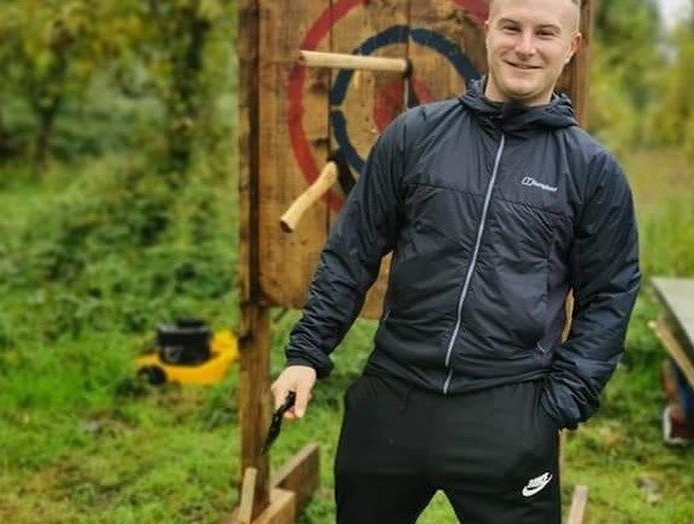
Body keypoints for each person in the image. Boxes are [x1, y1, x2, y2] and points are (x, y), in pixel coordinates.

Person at [271, 0, 641, 521]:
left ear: (572, 48)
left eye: (545, 33)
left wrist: (559, 404)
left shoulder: (592, 170)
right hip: (391, 400)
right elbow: (352, 251)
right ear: (488, 32)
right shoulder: (414, 134)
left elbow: (610, 295)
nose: (525, 47)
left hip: (508, 410)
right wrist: (306, 354)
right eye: (511, 28)